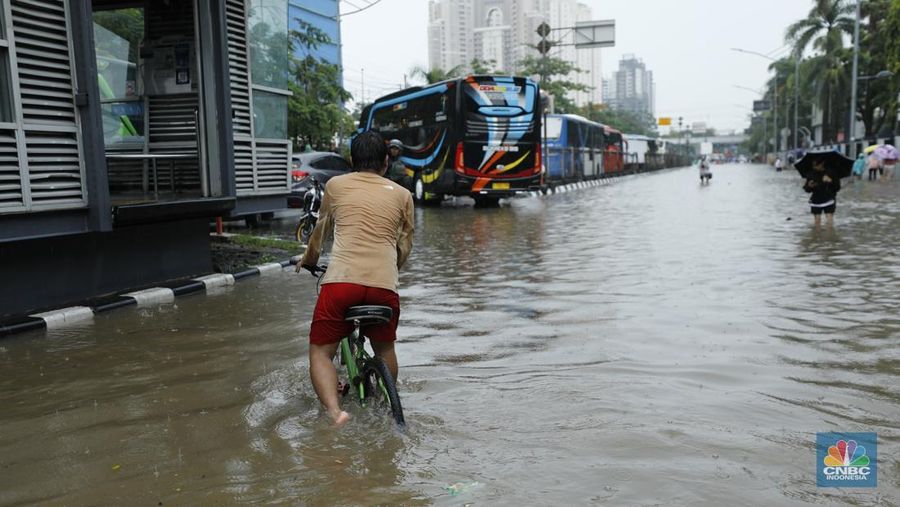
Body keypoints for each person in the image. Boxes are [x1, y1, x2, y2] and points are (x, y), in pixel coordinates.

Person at [298, 130, 415, 427]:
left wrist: (308, 261)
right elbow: (404, 246)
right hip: (384, 287)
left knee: (322, 352)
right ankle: (388, 401)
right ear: (386, 162)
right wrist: (390, 271)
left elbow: (320, 232)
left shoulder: (336, 185)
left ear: (352, 160)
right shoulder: (403, 195)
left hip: (341, 284)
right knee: (385, 348)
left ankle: (336, 413)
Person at [803, 159, 841, 227]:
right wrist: (809, 186)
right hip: (816, 200)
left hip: (829, 198)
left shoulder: (831, 172)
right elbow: (807, 189)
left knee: (829, 219)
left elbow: (837, 187)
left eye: (816, 165)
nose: (814, 167)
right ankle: (817, 235)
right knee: (817, 221)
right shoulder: (811, 174)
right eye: (813, 165)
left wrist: (830, 181)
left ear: (822, 164)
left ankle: (829, 236)